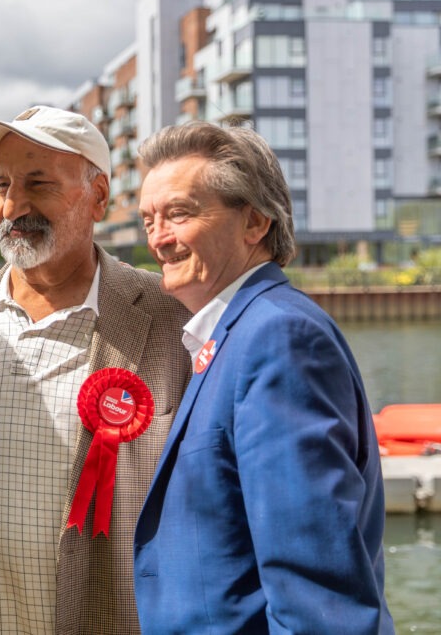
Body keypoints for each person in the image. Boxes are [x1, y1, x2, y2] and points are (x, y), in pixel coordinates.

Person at [0, 105, 193, 634]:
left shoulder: (171, 317)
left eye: (38, 183)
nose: (14, 204)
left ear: (100, 197)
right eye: (2, 185)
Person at [133, 121, 392, 633]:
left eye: (178, 214)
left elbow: (318, 600)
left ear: (255, 223)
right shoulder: (236, 334)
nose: (158, 239)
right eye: (148, 221)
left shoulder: (278, 338)